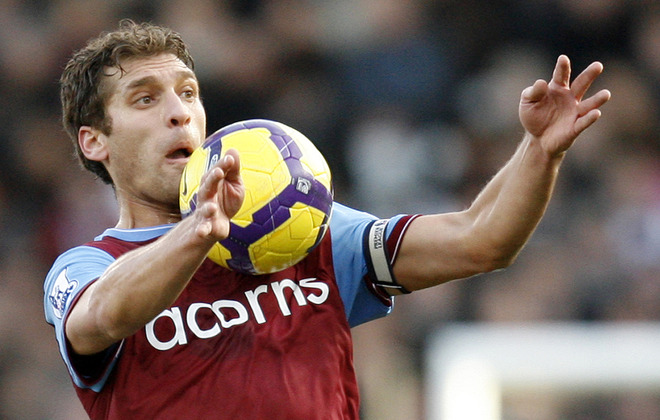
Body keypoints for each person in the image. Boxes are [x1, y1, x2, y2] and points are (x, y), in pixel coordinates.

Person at [43, 20, 610, 419]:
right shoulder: (89, 265)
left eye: (188, 93)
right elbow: (101, 316)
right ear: (95, 142)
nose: (178, 112)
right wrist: (198, 231)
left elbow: (479, 241)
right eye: (145, 99)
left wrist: (539, 153)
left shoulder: (304, 228)